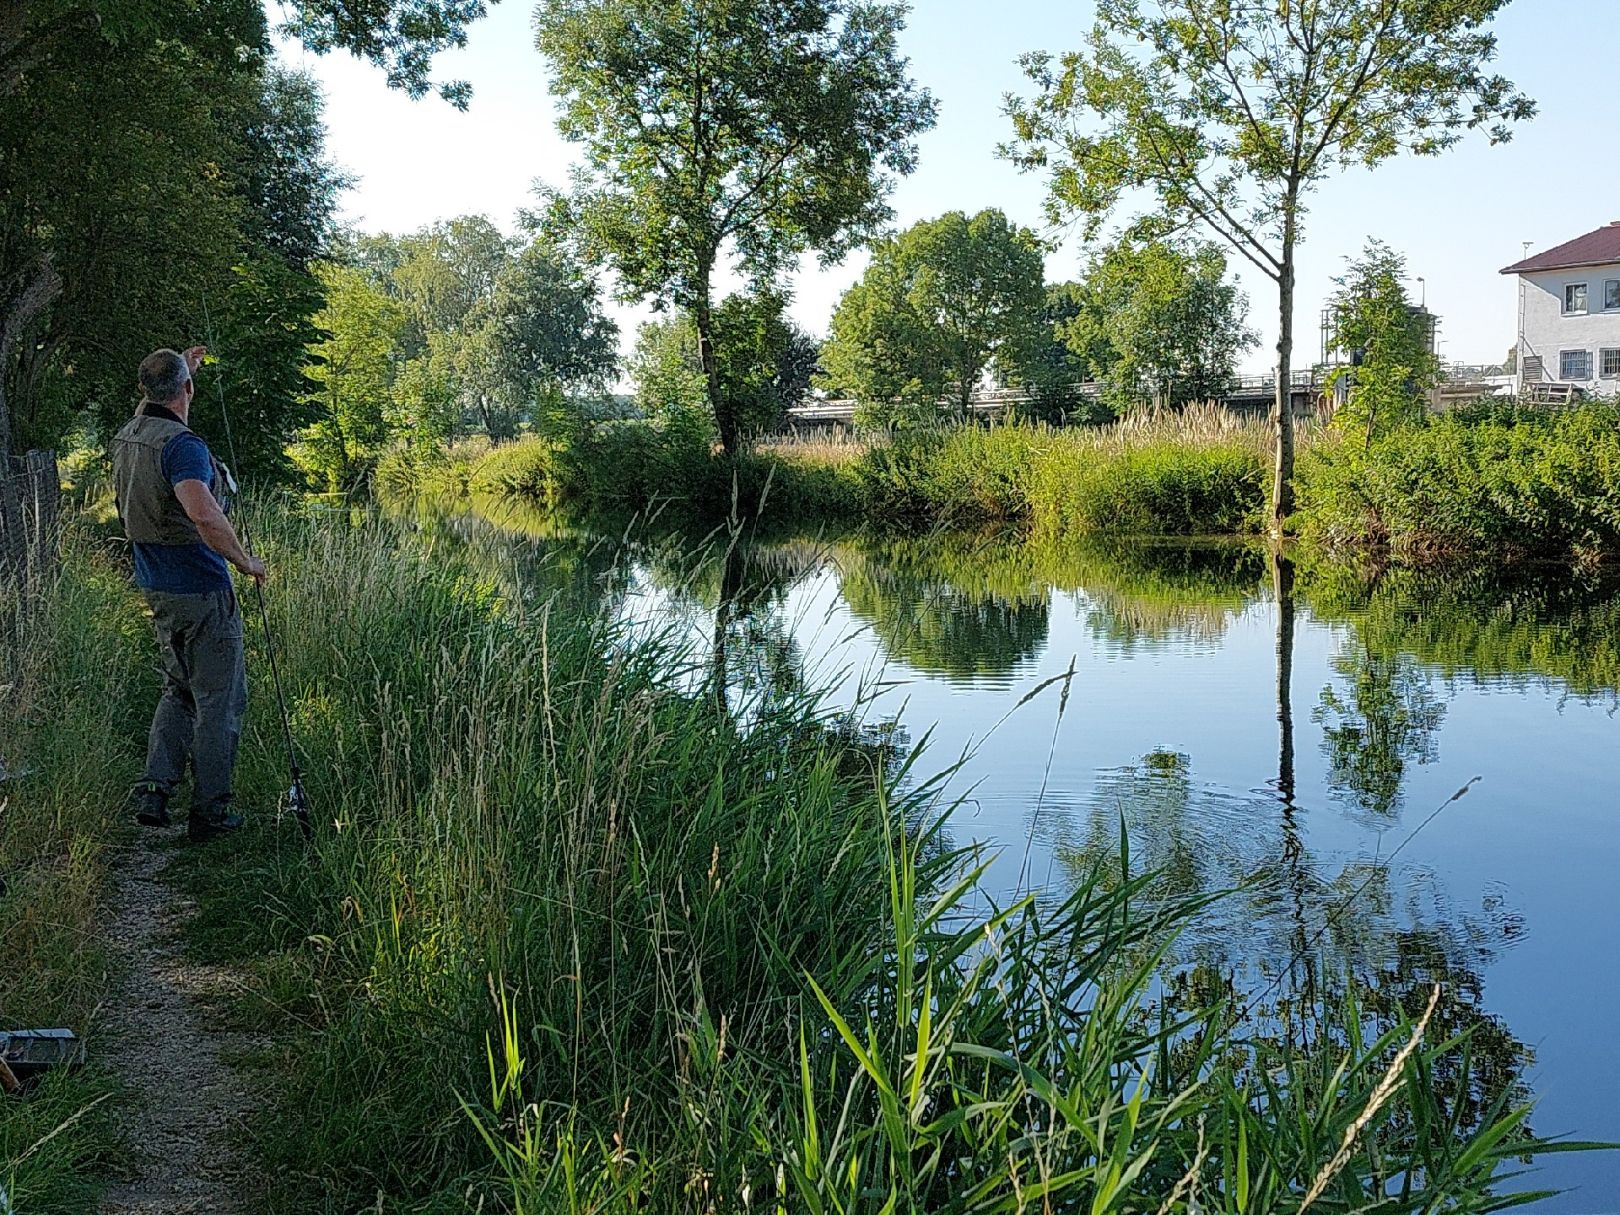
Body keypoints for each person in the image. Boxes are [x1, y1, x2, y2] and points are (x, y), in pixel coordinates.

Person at [111, 347, 267, 842]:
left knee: (177, 687)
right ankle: (211, 812)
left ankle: (155, 791)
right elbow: (202, 512)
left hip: (156, 585)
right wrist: (245, 561)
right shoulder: (184, 447)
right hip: (200, 587)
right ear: (187, 391)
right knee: (220, 699)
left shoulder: (131, 434)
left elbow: (157, 394)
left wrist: (181, 367)